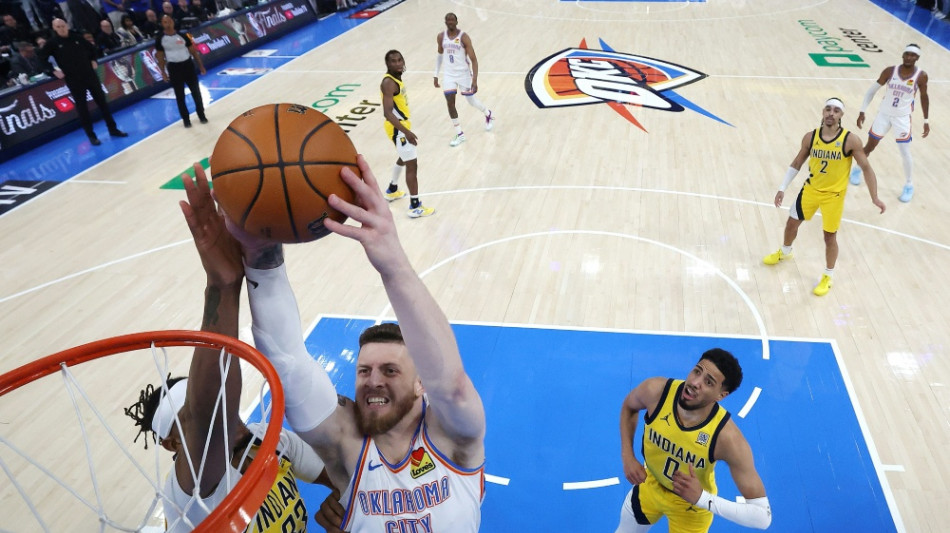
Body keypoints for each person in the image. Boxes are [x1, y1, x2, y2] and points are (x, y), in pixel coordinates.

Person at [234, 154, 486, 531]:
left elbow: (452, 387)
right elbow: (289, 364)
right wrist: (261, 255)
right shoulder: (347, 443)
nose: (373, 381)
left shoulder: (450, 437)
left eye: (390, 370)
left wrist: (393, 263)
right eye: (364, 371)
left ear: (421, 383)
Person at [123, 163, 338, 532]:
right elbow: (211, 413)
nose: (223, 414)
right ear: (174, 445)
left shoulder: (269, 440)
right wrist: (221, 286)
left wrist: (345, 502)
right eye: (189, 416)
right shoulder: (191, 492)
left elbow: (342, 477)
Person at [615, 349, 771, 532]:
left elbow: (762, 517)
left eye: (708, 382)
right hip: (650, 485)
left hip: (692, 509)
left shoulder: (727, 438)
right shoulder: (656, 391)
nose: (695, 383)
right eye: (697, 371)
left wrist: (702, 498)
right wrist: (628, 456)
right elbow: (629, 406)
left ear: (721, 395)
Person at [762, 97, 886, 296]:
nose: (831, 113)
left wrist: (875, 197)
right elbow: (797, 163)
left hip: (833, 197)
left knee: (829, 237)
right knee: (791, 224)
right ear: (823, 112)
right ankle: (785, 252)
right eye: (828, 109)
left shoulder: (850, 140)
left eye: (836, 111)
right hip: (810, 191)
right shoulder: (810, 137)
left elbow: (866, 168)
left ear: (841, 115)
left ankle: (828, 276)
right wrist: (782, 188)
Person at [848, 44, 930, 203]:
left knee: (904, 151)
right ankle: (857, 169)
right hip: (884, 115)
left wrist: (926, 120)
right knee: (870, 146)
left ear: (917, 58)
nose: (909, 57)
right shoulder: (890, 71)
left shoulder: (921, 76)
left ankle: (909, 185)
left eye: (913, 55)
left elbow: (924, 97)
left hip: (902, 118)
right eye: (907, 54)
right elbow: (871, 91)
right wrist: (862, 111)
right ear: (903, 55)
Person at [40, 18, 128, 145]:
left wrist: (93, 60)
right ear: (54, 28)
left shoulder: (77, 37)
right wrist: (52, 71)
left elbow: (92, 49)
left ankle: (113, 129)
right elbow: (42, 58)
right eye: (58, 27)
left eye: (63, 25)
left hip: (89, 74)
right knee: (82, 108)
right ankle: (91, 136)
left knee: (102, 103)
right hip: (74, 79)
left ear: (67, 25)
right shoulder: (52, 43)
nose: (61, 28)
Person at [381, 49, 434, 218]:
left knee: (404, 157)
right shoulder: (389, 83)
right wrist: (407, 132)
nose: (398, 63)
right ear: (387, 64)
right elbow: (387, 113)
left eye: (400, 60)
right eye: (393, 61)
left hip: (400, 126)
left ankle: (392, 189)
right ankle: (415, 206)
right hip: (398, 128)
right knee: (412, 165)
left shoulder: (396, 79)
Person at [433, 12, 494, 147]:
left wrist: (475, 80)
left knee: (471, 101)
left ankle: (487, 113)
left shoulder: (464, 37)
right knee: (450, 102)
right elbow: (439, 56)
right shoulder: (441, 37)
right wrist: (435, 75)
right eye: (448, 20)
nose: (450, 22)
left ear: (456, 21)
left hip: (464, 74)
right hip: (449, 75)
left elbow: (474, 60)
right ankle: (459, 134)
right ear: (445, 22)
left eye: (452, 20)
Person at [155, 13, 206, 127]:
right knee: (180, 96)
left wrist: (201, 65)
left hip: (188, 65)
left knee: (196, 92)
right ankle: (186, 119)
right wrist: (163, 72)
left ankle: (201, 114)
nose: (168, 24)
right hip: (174, 68)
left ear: (173, 22)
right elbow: (160, 57)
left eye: (169, 21)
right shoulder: (160, 39)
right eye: (165, 22)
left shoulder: (183, 35)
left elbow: (193, 52)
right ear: (162, 24)